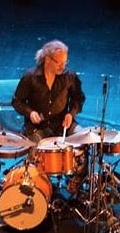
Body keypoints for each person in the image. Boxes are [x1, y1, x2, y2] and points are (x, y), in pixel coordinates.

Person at [11, 40, 86, 191]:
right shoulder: (30, 77)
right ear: (47, 59)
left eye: (65, 62)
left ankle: (77, 181)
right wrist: (30, 112)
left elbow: (79, 98)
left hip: (62, 123)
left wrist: (71, 114)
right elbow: (16, 101)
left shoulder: (69, 77)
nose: (62, 66)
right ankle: (39, 187)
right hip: (37, 127)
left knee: (84, 139)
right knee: (35, 150)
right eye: (59, 62)